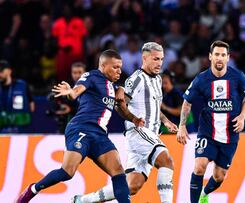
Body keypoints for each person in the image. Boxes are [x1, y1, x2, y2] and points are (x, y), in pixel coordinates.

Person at [16, 49, 145, 203]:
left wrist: (134, 118)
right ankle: (33, 189)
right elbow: (75, 92)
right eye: (115, 67)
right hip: (81, 129)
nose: (119, 71)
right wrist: (69, 91)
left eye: (120, 67)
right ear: (103, 66)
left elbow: (121, 109)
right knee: (67, 172)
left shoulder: (113, 87)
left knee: (118, 172)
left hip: (100, 136)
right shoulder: (91, 76)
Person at [72, 42, 178, 203]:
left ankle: (85, 200)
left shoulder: (157, 79)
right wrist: (133, 119)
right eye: (156, 59)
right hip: (139, 132)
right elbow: (119, 104)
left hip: (150, 135)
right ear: (145, 57)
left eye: (161, 59)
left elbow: (154, 107)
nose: (159, 63)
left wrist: (166, 121)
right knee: (167, 161)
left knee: (132, 185)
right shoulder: (136, 79)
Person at [177, 40, 245, 203]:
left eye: (223, 55)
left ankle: (204, 193)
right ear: (210, 57)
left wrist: (242, 116)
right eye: (216, 54)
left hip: (230, 134)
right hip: (207, 131)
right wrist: (182, 126)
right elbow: (187, 102)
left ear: (228, 58)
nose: (219, 58)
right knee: (199, 166)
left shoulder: (237, 76)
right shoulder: (201, 79)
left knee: (219, 176)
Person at [50, 62, 87, 133]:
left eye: (80, 72)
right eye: (74, 73)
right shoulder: (66, 86)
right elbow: (57, 103)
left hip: (85, 125)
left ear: (85, 73)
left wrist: (70, 109)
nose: (77, 75)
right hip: (67, 123)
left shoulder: (90, 87)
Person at [0, 60, 35, 133]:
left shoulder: (22, 85)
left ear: (9, 71)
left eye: (1, 71)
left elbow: (32, 104)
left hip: (20, 130)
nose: (0, 74)